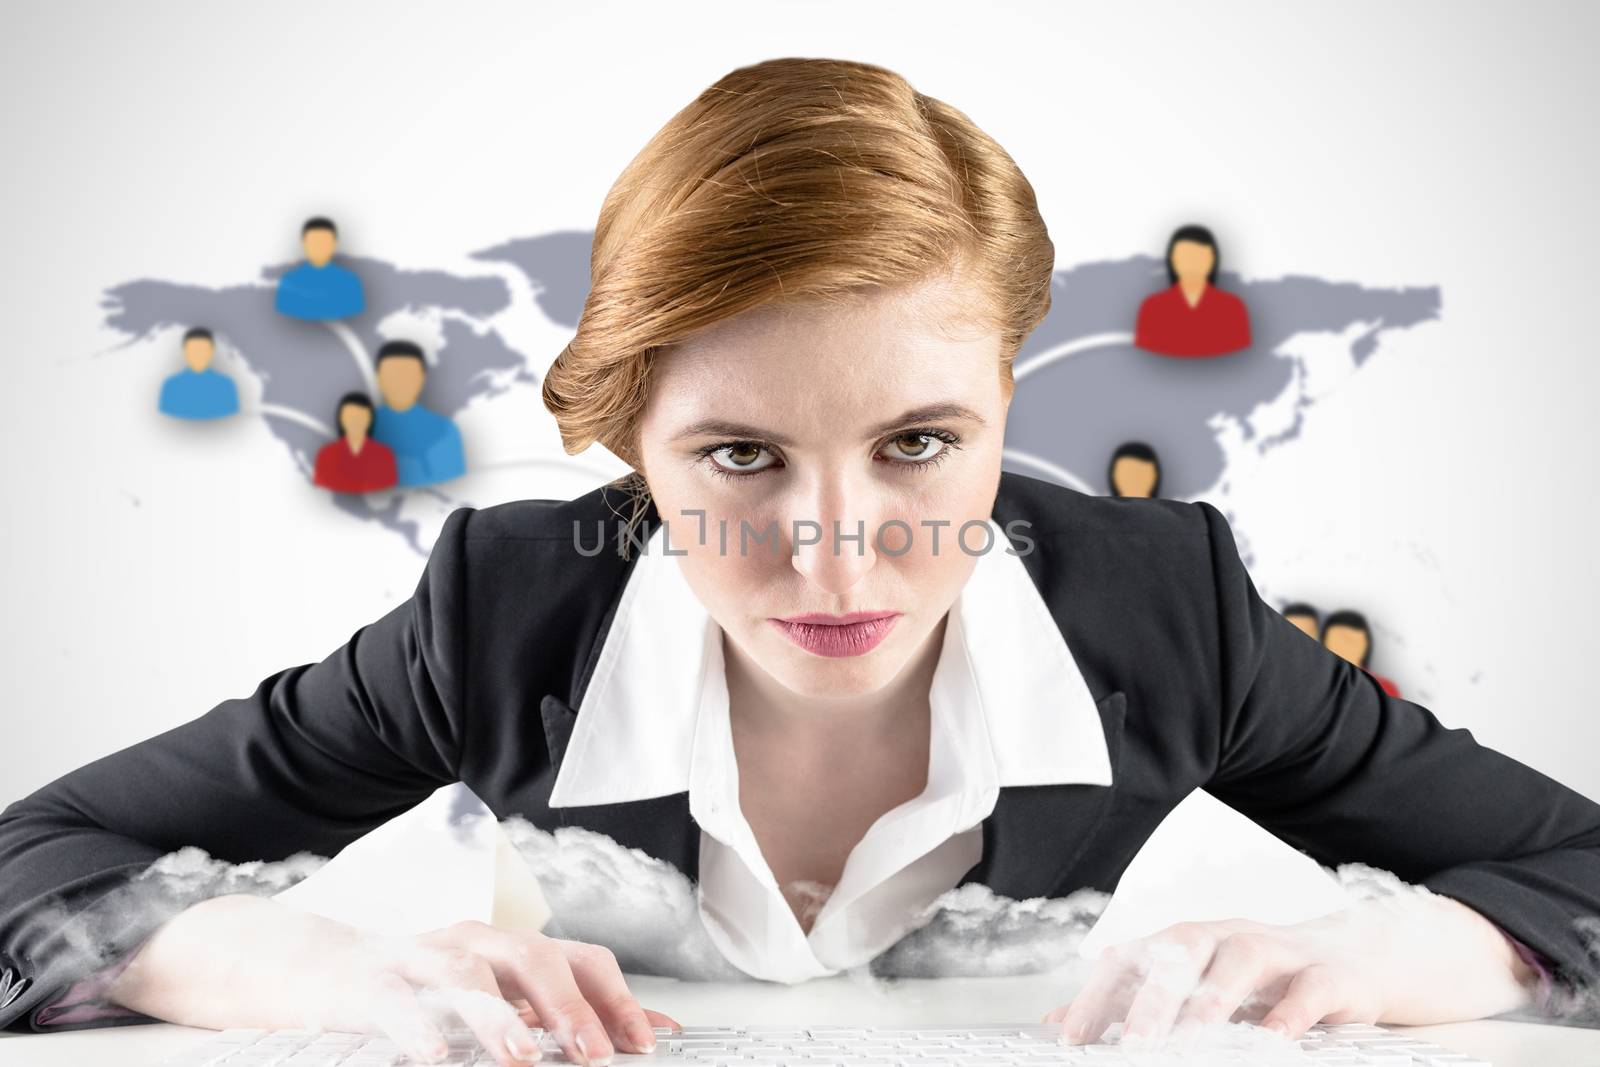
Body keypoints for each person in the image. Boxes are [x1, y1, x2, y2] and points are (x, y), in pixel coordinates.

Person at [1, 57, 1594, 1066]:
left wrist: (1422, 939)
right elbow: (36, 849)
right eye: (739, 454)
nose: (837, 545)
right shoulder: (500, 614)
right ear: (632, 438)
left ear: (1007, 406)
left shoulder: (1170, 611)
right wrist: (256, 952)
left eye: (918, 441)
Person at [1132, 225, 1252, 358]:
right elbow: (1146, 359)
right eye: (1185, 256)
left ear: (1212, 260)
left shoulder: (1233, 309)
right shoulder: (1152, 308)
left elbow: (1238, 357)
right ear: (1173, 260)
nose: (1192, 264)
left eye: (1199, 256)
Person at [369, 340, 466, 488]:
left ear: (422, 377)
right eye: (392, 374)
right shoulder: (361, 428)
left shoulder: (445, 431)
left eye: (408, 374)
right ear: (378, 377)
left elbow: (455, 486)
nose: (400, 382)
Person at [273, 217, 367, 321]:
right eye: (313, 242)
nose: (319, 247)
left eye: (324, 242)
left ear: (334, 243)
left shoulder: (350, 283)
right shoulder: (288, 283)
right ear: (303, 243)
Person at [312, 392, 399, 494]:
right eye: (350, 416)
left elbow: (389, 490)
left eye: (361, 416)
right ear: (341, 419)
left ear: (370, 419)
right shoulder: (326, 455)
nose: (355, 421)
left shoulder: (385, 455)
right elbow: (322, 493)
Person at [156, 327, 238, 420]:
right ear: (184, 351)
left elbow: (231, 419)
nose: (198, 355)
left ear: (212, 351)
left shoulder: (226, 386)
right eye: (193, 350)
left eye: (203, 350)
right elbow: (165, 420)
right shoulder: (171, 387)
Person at [1322, 608, 1402, 698]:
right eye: (1337, 642)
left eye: (1351, 642)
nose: (1343, 649)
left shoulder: (1385, 688)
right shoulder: (1315, 681)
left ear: (1366, 646)